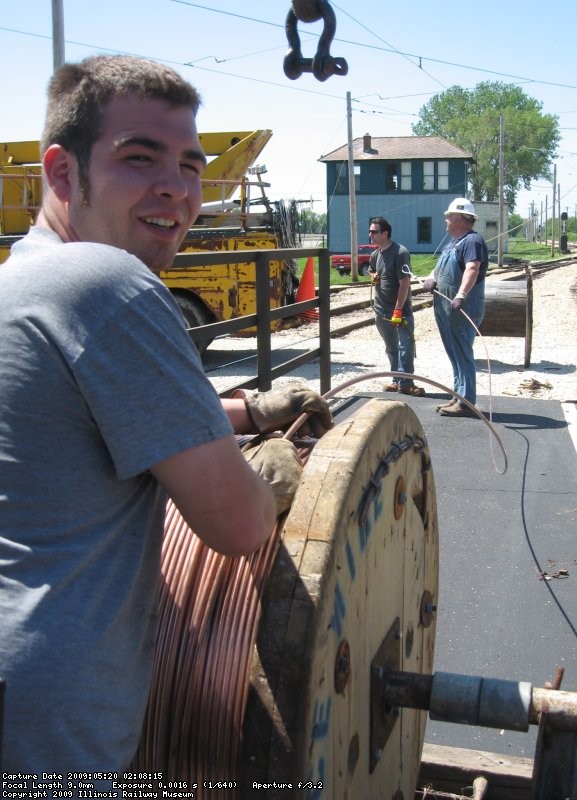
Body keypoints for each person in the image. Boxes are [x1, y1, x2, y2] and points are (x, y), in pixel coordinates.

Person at [0, 54, 332, 772]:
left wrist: (245, 411)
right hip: (48, 730)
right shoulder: (107, 281)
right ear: (62, 174)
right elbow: (238, 524)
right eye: (139, 158)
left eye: (191, 165)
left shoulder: (19, 282)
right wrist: (266, 471)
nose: (176, 190)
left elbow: (85, 419)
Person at [422, 198, 488, 417]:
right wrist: (431, 278)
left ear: (459, 218)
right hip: (445, 306)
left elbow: (472, 268)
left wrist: (461, 295)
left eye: (448, 216)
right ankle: (458, 395)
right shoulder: (453, 243)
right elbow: (439, 268)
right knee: (454, 352)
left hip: (461, 307)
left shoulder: (472, 241)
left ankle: (467, 400)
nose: (446, 219)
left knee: (462, 351)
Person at [367, 217, 425, 396]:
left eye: (374, 231)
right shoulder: (376, 254)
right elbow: (370, 269)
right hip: (381, 309)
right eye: (370, 231)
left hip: (400, 310)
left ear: (385, 233)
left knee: (405, 346)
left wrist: (398, 309)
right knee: (391, 347)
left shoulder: (400, 252)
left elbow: (405, 283)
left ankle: (406, 382)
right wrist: (373, 274)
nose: (370, 234)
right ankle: (396, 379)